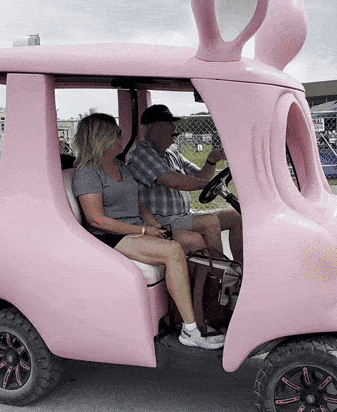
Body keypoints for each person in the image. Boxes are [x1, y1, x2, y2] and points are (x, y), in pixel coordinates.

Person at [71, 113, 223, 349]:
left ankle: (201, 309)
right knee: (172, 251)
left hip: (134, 227)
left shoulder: (121, 166)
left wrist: (151, 223)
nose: (122, 137)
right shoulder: (88, 172)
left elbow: (139, 202)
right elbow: (97, 220)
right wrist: (142, 230)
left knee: (194, 242)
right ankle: (190, 330)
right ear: (100, 138)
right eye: (116, 134)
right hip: (110, 236)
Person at [128, 104, 244, 262]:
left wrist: (211, 160)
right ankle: (219, 278)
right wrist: (207, 185)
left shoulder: (172, 152)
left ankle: (241, 271)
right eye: (169, 123)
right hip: (161, 220)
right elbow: (173, 181)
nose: (174, 127)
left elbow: (200, 177)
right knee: (209, 222)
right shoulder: (142, 153)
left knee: (235, 216)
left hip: (183, 216)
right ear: (152, 128)